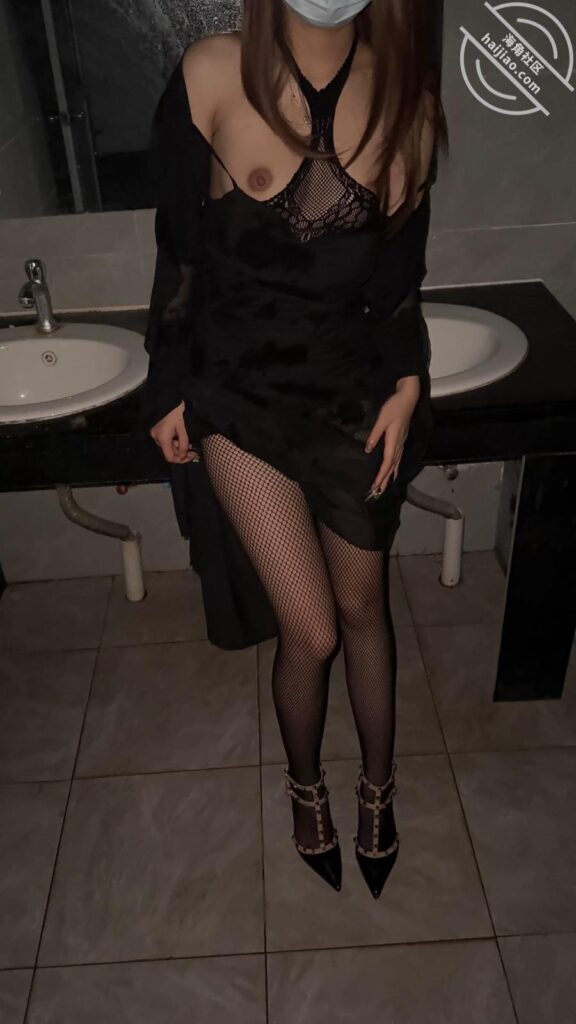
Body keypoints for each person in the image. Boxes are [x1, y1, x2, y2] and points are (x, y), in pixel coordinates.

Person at [141, 0, 448, 898]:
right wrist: (166, 385)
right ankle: (306, 786)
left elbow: (399, 279)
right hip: (240, 396)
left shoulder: (409, 100)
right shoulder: (210, 72)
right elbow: (179, 255)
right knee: (310, 631)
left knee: (363, 610)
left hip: (353, 398)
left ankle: (378, 790)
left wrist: (408, 381)